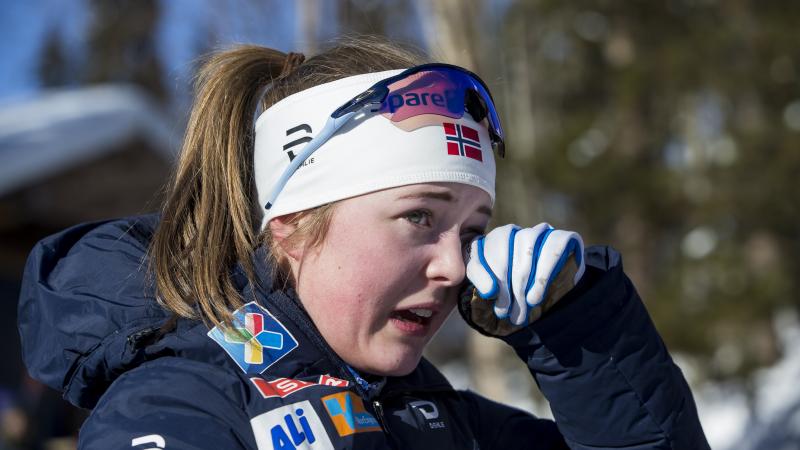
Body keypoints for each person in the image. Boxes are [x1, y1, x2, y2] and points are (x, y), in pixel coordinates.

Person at [17, 36, 709, 449]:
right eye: (419, 217)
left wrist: (586, 331)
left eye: (474, 229)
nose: (454, 265)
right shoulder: (184, 405)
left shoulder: (430, 410)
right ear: (289, 224)